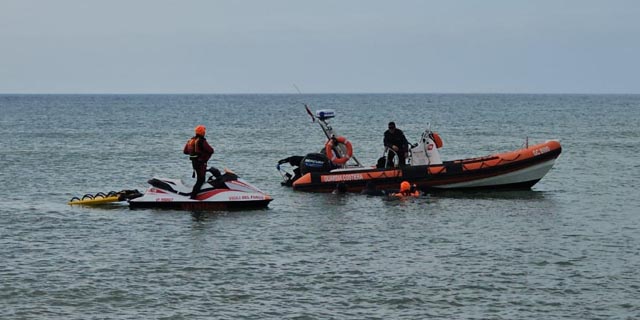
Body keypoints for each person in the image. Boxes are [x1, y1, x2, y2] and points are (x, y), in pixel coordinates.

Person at [183, 125, 214, 199]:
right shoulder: (201, 141)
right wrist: (204, 155)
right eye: (204, 131)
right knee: (200, 180)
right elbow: (211, 150)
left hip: (194, 163)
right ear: (202, 132)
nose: (204, 133)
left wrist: (193, 153)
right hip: (201, 163)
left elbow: (185, 151)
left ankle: (199, 194)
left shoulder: (191, 140)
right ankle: (193, 197)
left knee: (200, 179)